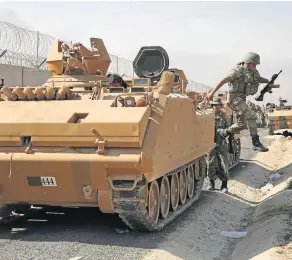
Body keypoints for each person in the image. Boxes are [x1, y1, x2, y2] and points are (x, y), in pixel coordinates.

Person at [207, 52, 273, 152]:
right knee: (252, 116)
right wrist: (212, 92)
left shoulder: (252, 72)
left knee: (242, 125)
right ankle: (256, 143)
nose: (255, 66)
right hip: (234, 99)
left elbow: (258, 79)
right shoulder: (237, 71)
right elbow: (224, 80)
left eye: (256, 64)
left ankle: (223, 132)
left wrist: (269, 81)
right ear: (247, 62)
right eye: (253, 64)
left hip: (241, 99)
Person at [206, 97, 237, 193]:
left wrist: (229, 135)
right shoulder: (208, 116)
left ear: (220, 106)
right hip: (211, 144)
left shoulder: (224, 116)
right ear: (212, 106)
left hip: (222, 143)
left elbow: (229, 128)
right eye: (214, 105)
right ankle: (211, 183)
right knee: (210, 163)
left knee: (224, 164)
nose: (216, 107)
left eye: (218, 105)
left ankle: (224, 185)